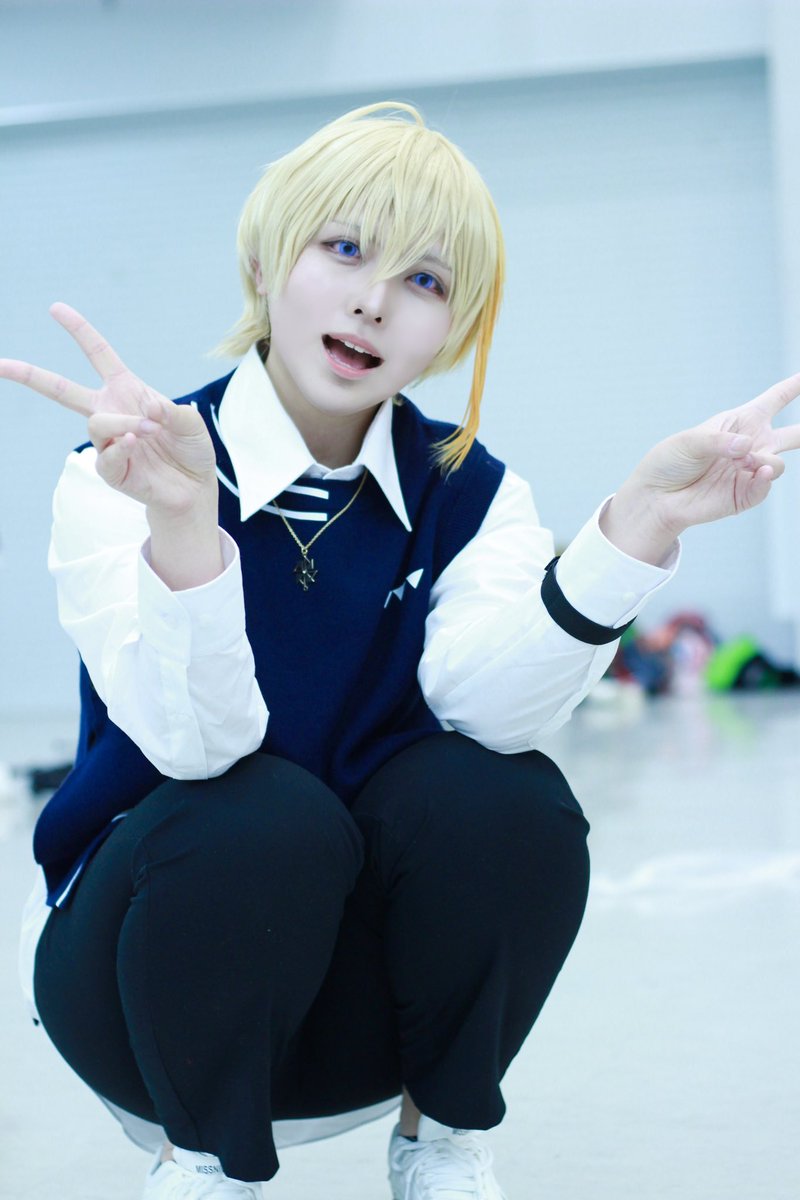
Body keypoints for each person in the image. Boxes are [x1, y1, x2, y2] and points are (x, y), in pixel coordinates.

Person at [3, 100, 799, 1200]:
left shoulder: (470, 494)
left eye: (423, 279)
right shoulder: (124, 472)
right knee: (258, 814)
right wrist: (185, 527)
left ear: (451, 329)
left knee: (506, 801)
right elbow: (197, 748)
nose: (374, 299)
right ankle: (204, 1167)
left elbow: (489, 711)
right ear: (263, 262)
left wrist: (637, 530)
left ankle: (440, 1141)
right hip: (145, 985)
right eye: (343, 249)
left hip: (360, 1008)